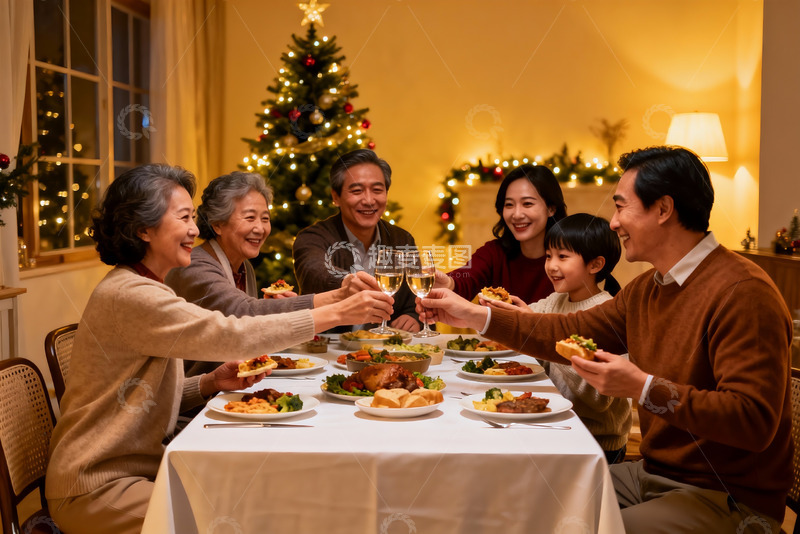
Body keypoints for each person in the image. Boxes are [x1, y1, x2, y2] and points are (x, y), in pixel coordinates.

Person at [418, 147, 792, 533]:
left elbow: (753, 420)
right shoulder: (649, 287)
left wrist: (643, 388)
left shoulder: (743, 292)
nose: (612, 223)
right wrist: (474, 315)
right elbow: (564, 331)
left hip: (726, 497)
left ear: (663, 210)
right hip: (651, 475)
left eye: (621, 207)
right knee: (520, 497)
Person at [45, 164, 393, 534]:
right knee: (243, 518)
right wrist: (336, 311)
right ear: (143, 229)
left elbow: (135, 396)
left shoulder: (145, 287)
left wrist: (209, 383)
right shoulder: (132, 295)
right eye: (184, 218)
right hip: (95, 486)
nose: (195, 230)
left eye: (193, 217)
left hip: (138, 469)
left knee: (259, 498)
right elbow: (234, 333)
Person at [166, 171, 379, 376]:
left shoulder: (243, 266)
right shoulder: (195, 265)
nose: (260, 228)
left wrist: (276, 307)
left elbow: (250, 328)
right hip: (197, 401)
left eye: (265, 218)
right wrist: (339, 298)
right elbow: (243, 313)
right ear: (218, 224)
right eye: (250, 218)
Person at [488, 213, 630, 465]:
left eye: (562, 257)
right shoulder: (556, 301)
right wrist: (507, 316)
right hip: (556, 426)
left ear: (595, 265)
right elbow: (526, 331)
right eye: (548, 256)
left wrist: (547, 339)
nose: (551, 265)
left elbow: (599, 398)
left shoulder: (608, 313)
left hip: (595, 442)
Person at [293, 149, 421, 332]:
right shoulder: (313, 237)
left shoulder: (402, 240)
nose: (369, 200)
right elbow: (313, 271)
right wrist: (345, 282)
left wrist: (413, 317)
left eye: (377, 190)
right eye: (357, 191)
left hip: (384, 352)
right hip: (325, 352)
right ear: (336, 197)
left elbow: (415, 300)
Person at [434, 164, 567, 304]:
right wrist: (448, 283)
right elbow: (467, 278)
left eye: (527, 204)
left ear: (551, 209)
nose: (516, 214)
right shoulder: (494, 253)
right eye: (509, 205)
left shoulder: (571, 256)